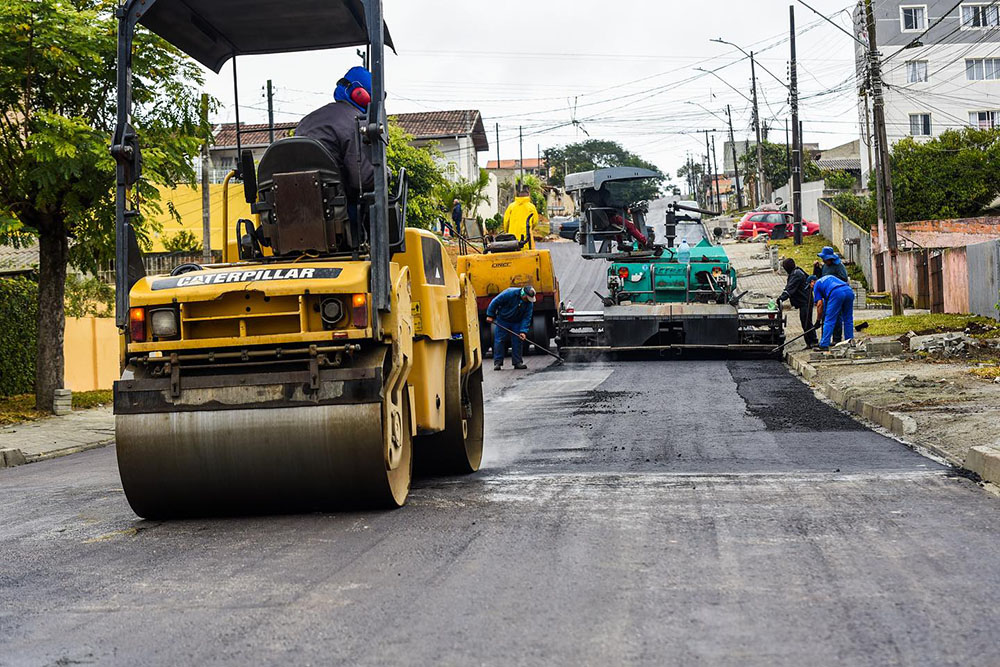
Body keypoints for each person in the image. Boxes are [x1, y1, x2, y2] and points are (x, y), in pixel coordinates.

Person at [295, 66, 375, 207]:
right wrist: (385, 173)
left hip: (294, 207)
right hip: (337, 211)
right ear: (362, 95)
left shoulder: (306, 121)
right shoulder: (357, 122)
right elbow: (363, 179)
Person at [486, 285, 536, 370]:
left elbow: (527, 317)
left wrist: (523, 331)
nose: (528, 300)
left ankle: (517, 362)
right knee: (499, 340)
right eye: (527, 298)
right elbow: (495, 302)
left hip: (517, 322)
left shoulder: (529, 303)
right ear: (523, 294)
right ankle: (498, 363)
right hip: (503, 320)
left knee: (517, 340)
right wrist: (490, 315)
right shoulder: (509, 293)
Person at [777, 258, 818, 348]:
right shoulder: (796, 272)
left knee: (807, 322)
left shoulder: (796, 275)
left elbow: (790, 288)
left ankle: (813, 341)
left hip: (805, 301)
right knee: (805, 322)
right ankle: (809, 342)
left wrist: (781, 298)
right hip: (804, 301)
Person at [813, 274, 855, 351]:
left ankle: (824, 344)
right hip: (849, 290)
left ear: (812, 282)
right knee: (848, 319)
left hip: (836, 293)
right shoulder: (828, 278)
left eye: (810, 286)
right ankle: (850, 341)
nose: (811, 288)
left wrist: (818, 321)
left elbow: (819, 305)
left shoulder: (817, 284)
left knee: (829, 319)